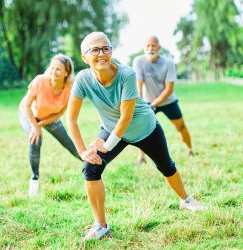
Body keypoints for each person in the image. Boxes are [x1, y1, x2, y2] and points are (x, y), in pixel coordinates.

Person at [66, 32, 205, 241]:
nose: (101, 54)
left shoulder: (126, 74)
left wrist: (107, 145)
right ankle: (101, 226)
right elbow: (72, 119)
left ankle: (185, 200)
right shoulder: (83, 79)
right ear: (85, 57)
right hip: (112, 129)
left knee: (166, 166)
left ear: (112, 52)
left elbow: (126, 116)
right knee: (91, 167)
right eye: (94, 50)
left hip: (144, 128)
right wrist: (83, 151)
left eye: (105, 48)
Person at [18, 53, 81, 197]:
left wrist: (42, 124)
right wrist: (35, 127)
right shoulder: (40, 81)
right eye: (52, 68)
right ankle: (34, 178)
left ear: (67, 72)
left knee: (69, 143)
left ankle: (91, 167)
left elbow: (61, 113)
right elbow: (27, 106)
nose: (53, 71)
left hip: (49, 117)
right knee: (36, 140)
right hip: (28, 115)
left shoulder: (70, 89)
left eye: (58, 69)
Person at [133, 36, 194, 165]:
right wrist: (140, 105)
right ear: (144, 48)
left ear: (159, 48)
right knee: (142, 130)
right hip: (147, 102)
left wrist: (154, 105)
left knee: (181, 126)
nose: (151, 48)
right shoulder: (138, 61)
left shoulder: (168, 63)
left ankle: (190, 150)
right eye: (148, 46)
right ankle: (141, 157)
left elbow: (169, 90)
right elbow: (139, 85)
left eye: (153, 45)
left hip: (168, 101)